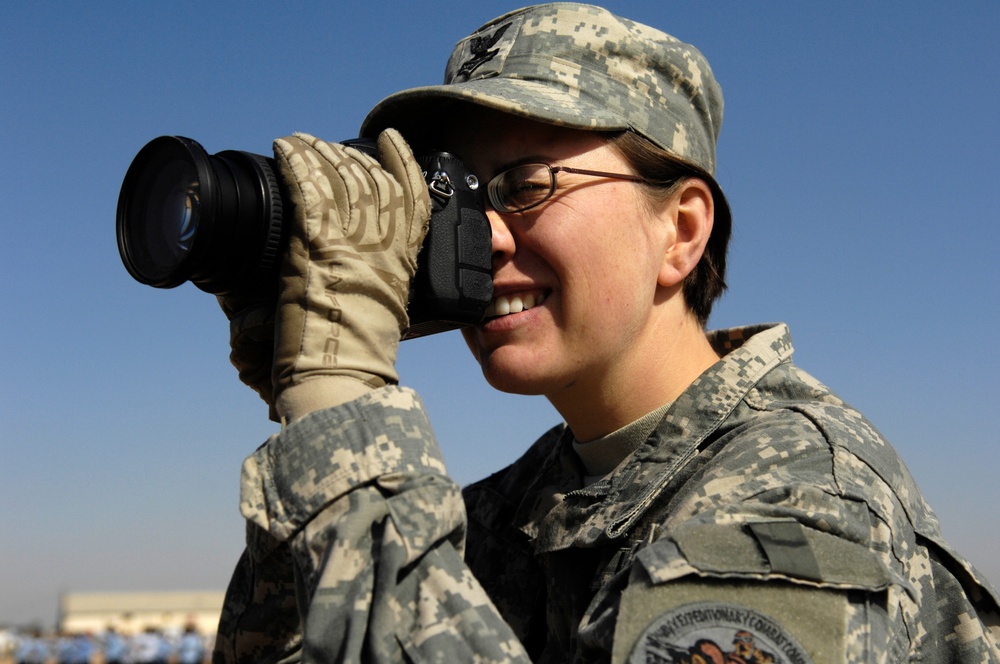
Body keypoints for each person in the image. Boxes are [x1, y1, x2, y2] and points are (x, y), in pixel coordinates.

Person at [210, 3, 1000, 662]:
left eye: (525, 185)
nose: (481, 240)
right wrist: (313, 409)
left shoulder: (797, 499)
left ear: (681, 231)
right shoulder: (516, 514)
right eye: (454, 202)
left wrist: (346, 403)